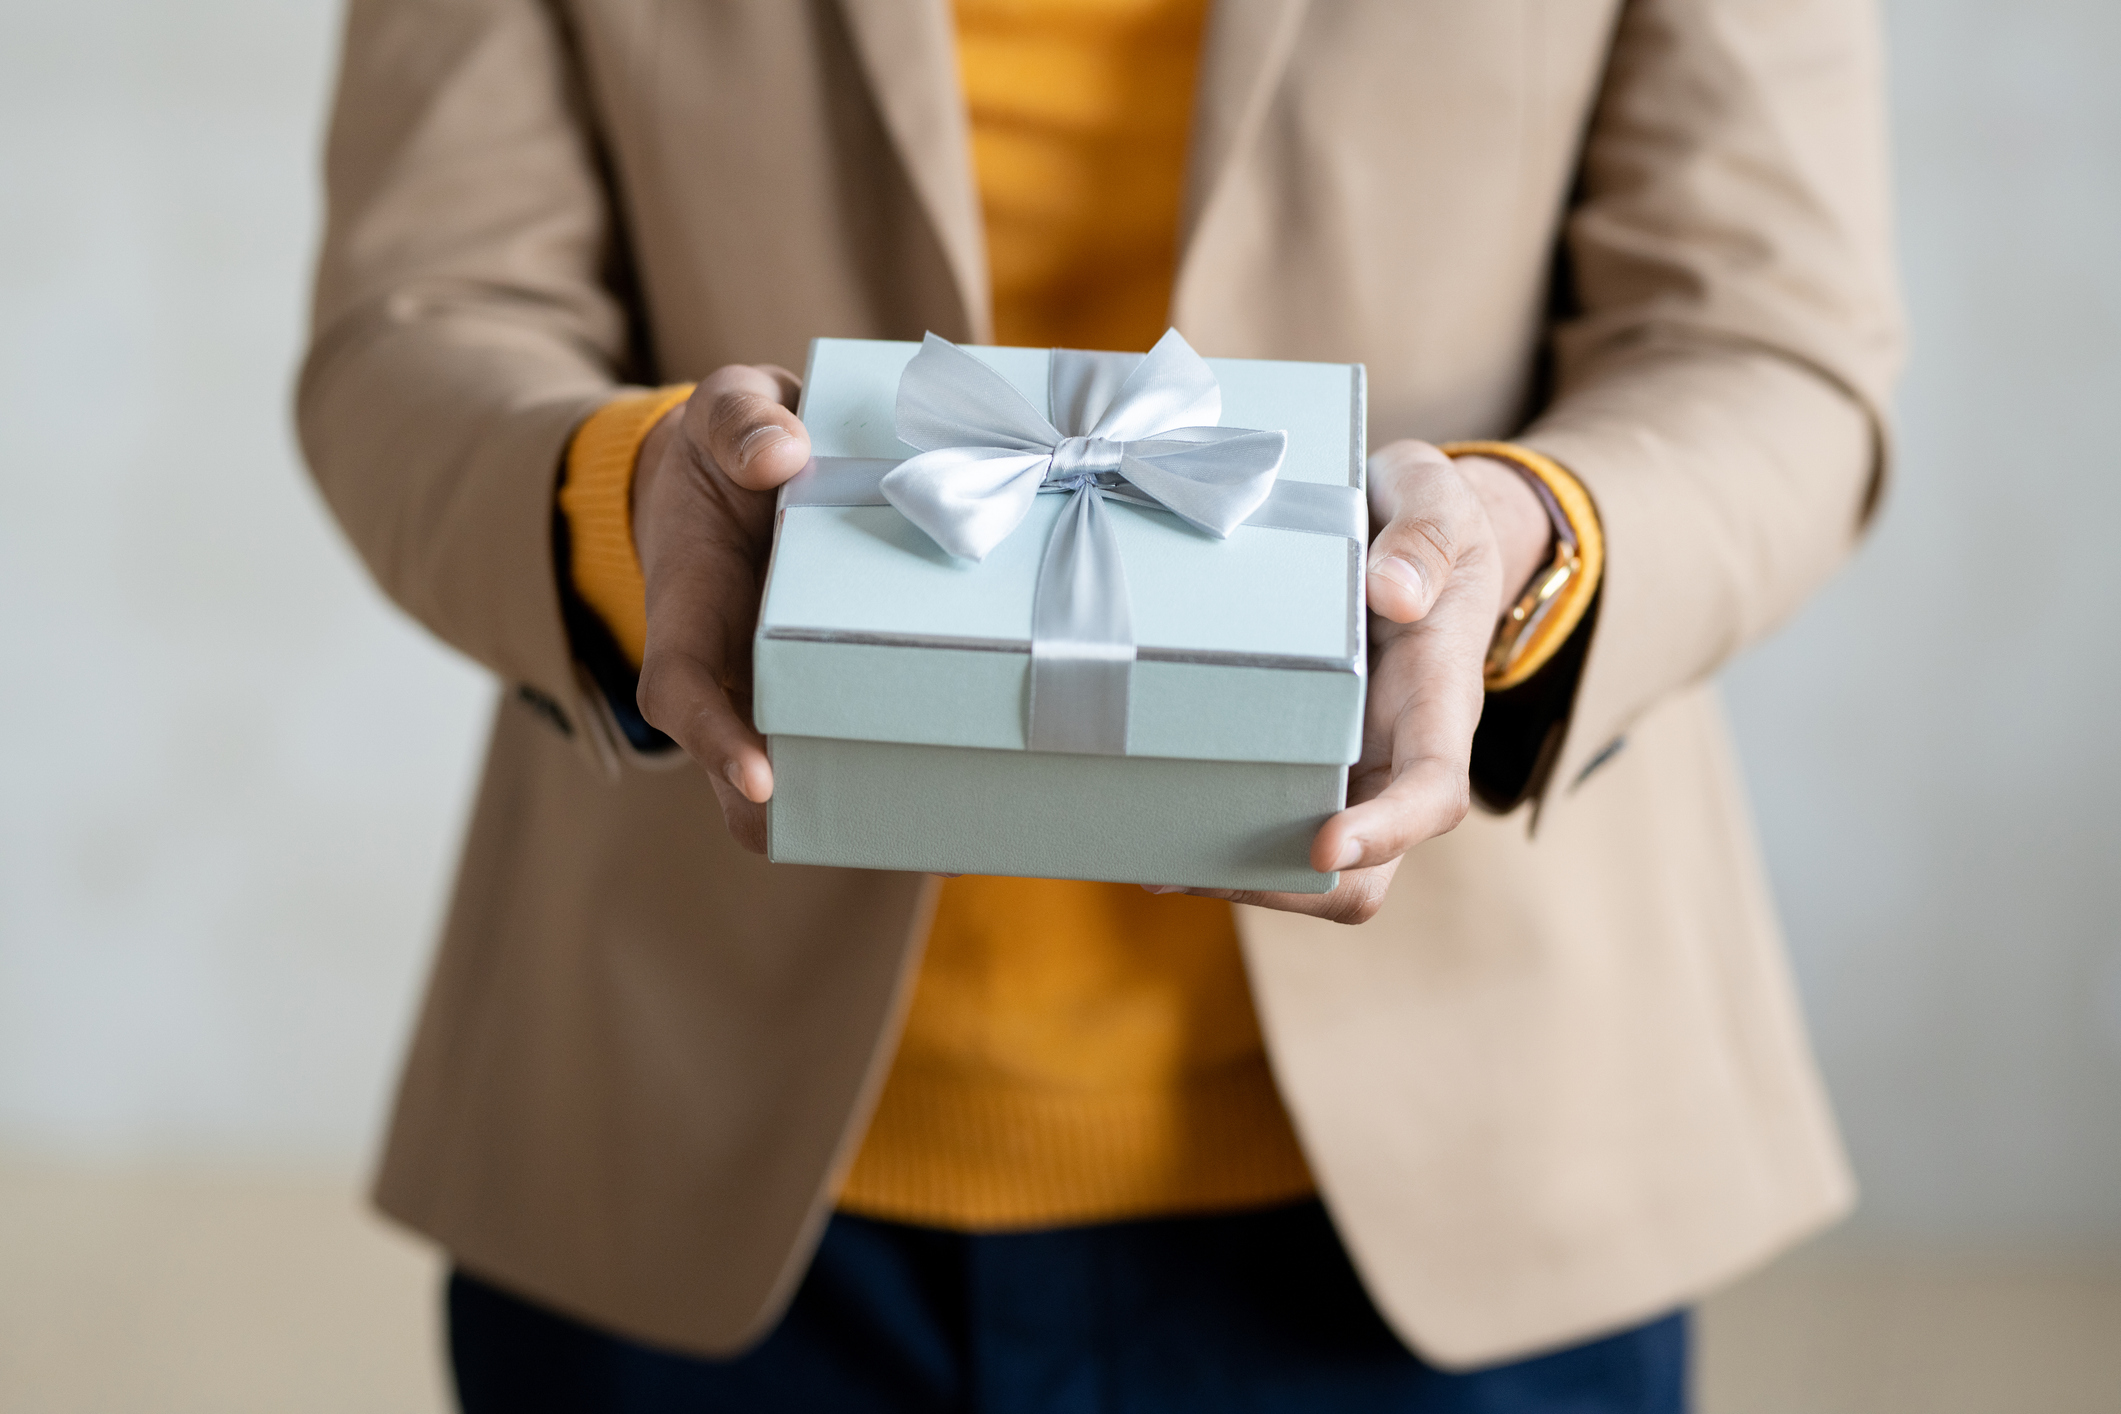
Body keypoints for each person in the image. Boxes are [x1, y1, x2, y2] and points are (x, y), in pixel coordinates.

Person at [298, 0, 1900, 1409]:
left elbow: (1767, 342)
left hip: (1476, 1167)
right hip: (676, 1125)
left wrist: (1525, 546)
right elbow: (413, 325)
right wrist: (625, 494)